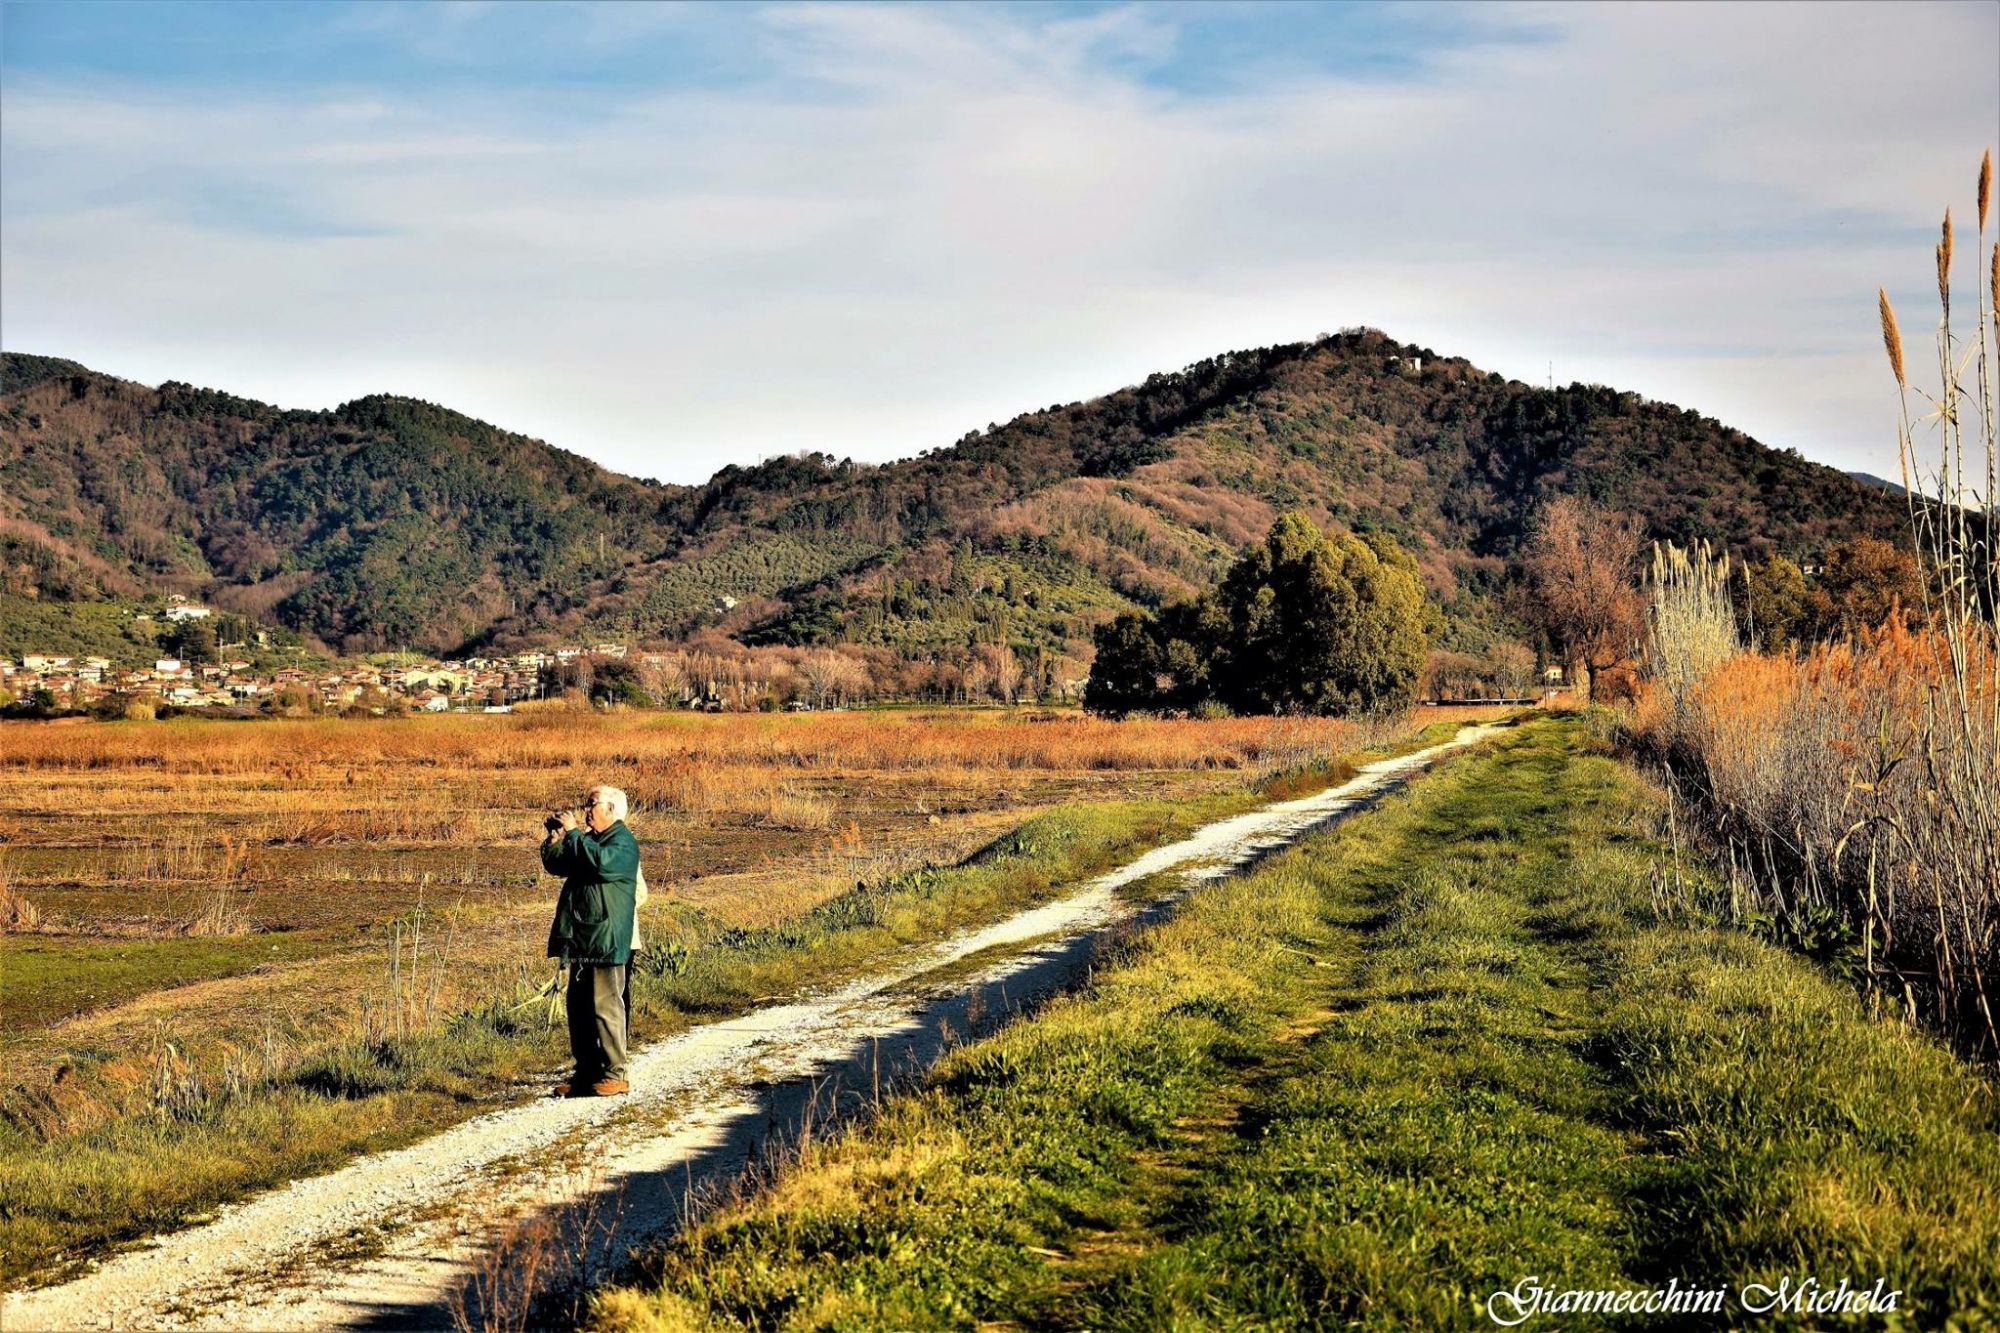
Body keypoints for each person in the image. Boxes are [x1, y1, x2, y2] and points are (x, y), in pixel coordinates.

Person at [541, 784, 640, 1097]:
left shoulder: (622, 842)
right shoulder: (590, 841)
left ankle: (615, 1073)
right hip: (583, 937)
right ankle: (586, 1073)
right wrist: (556, 837)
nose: (586, 810)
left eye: (592, 804)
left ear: (612, 809)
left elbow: (601, 863)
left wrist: (574, 835)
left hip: (605, 940)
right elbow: (557, 864)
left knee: (605, 1006)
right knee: (580, 1009)